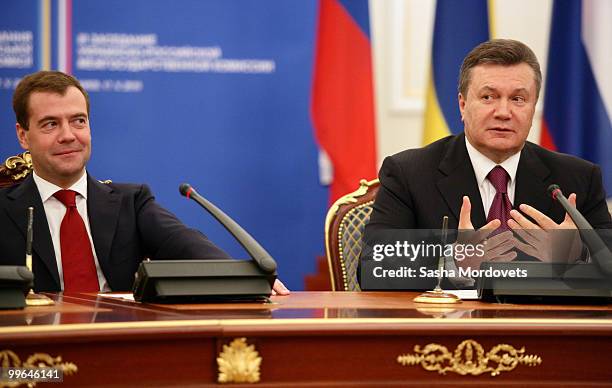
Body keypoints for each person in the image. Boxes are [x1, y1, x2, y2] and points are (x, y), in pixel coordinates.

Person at [0, 70, 289, 295]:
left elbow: (188, 247)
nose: (68, 135)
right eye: (51, 124)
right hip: (35, 357)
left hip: (123, 348)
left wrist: (245, 280)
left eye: (78, 121)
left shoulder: (130, 202)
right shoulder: (5, 210)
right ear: (23, 135)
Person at [362, 39, 612, 288]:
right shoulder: (409, 173)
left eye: (518, 99)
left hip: (540, 325)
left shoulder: (577, 179)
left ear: (533, 107)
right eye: (488, 97)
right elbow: (373, 269)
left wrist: (576, 259)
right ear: (463, 105)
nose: (503, 112)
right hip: (451, 325)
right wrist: (455, 262)